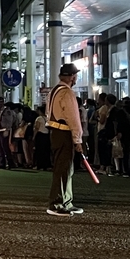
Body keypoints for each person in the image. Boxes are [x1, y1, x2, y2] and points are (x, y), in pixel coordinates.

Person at [46, 64, 85, 216]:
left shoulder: (54, 91)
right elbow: (73, 118)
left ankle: (66, 201)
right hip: (64, 133)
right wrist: (78, 140)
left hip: (55, 132)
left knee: (64, 168)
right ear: (72, 77)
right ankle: (57, 203)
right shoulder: (67, 93)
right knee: (63, 169)